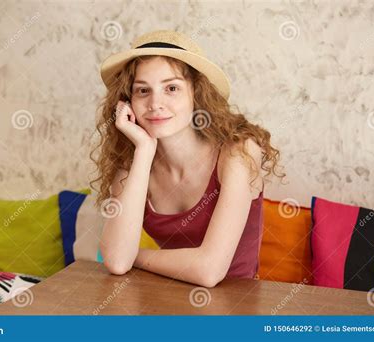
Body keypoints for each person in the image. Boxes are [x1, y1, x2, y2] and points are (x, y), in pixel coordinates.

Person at [91, 30, 285, 288]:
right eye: (142, 91)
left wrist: (133, 256)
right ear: (128, 102)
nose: (155, 103)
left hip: (234, 311)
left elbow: (209, 271)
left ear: (197, 93)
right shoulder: (134, 163)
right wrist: (145, 151)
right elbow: (116, 262)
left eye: (171, 88)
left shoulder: (239, 152)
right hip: (163, 301)